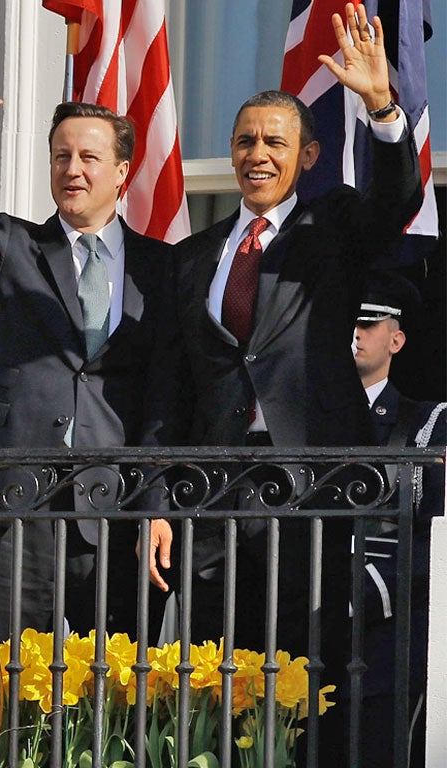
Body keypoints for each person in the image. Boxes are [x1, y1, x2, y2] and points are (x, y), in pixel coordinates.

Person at [166, 2, 422, 757]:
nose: (255, 154)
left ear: (306, 156)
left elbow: (396, 200)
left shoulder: (333, 230)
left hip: (308, 491)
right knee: (215, 676)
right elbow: (174, 386)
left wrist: (380, 105)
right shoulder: (196, 255)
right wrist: (156, 495)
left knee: (304, 677)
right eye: (244, 140)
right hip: (211, 498)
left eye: (274, 141)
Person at [0, 57, 183, 641]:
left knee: (115, 686)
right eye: (61, 156)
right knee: (6, 673)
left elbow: (165, 396)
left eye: (89, 158)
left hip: (118, 502)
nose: (73, 170)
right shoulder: (13, 245)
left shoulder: (162, 269)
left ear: (122, 173)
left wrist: (157, 499)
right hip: (18, 497)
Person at [352, 272, 445, 767]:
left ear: (397, 339)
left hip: (387, 644)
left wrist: (367, 590)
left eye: (367, 323)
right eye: (347, 322)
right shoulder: (287, 423)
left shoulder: (428, 424)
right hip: (298, 637)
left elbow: (436, 535)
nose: (355, 333)